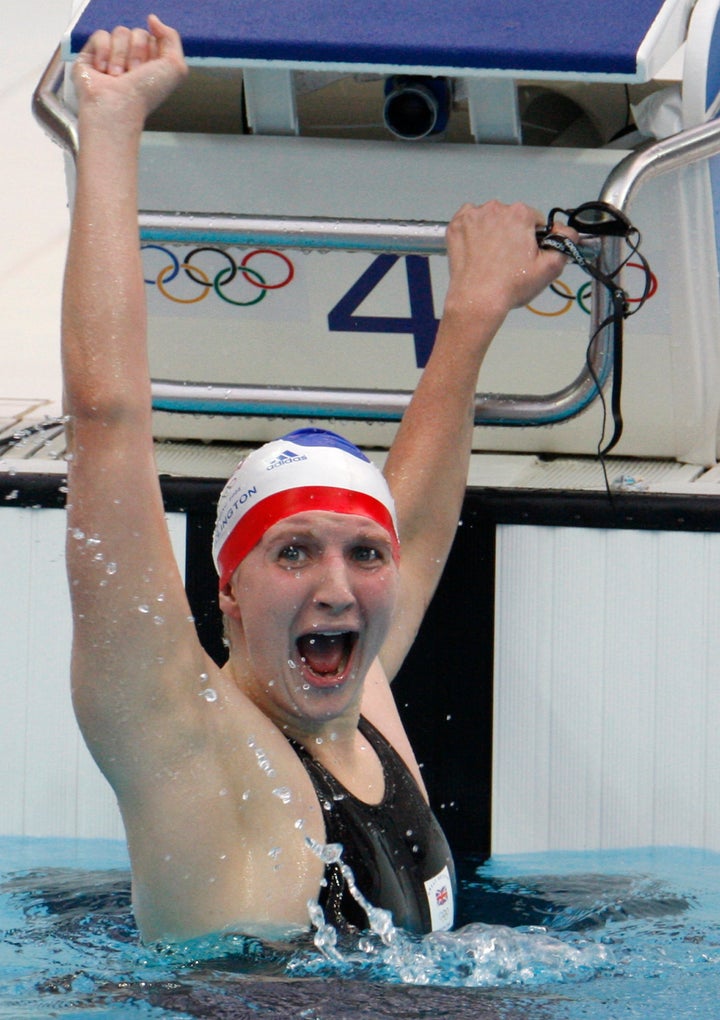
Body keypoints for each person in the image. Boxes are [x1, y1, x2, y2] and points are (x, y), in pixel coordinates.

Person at [62, 15, 572, 944]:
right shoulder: (186, 745)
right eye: (293, 552)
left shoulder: (359, 693)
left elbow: (410, 520)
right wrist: (108, 126)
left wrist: (472, 314)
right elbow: (105, 419)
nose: (338, 585)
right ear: (229, 588)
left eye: (360, 555)